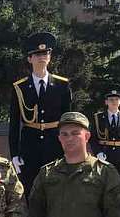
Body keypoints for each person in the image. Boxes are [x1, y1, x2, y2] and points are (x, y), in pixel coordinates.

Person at [9, 31, 73, 198]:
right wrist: (14, 154)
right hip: (29, 148)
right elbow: (14, 124)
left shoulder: (62, 85)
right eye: (37, 54)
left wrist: (69, 148)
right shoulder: (20, 87)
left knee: (56, 193)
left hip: (55, 147)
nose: (41, 57)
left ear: (50, 57)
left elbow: (67, 121)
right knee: (31, 193)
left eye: (45, 53)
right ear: (29, 59)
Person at [90, 85, 120, 172]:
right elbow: (93, 139)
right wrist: (98, 152)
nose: (114, 101)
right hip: (104, 156)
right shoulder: (98, 118)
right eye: (111, 99)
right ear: (106, 102)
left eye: (117, 99)